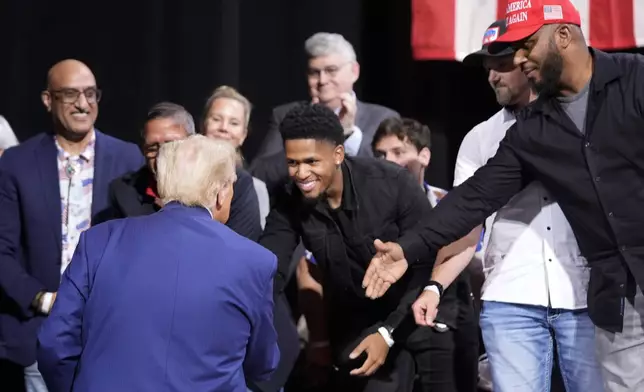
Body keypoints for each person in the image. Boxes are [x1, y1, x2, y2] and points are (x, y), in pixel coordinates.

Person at [362, 1, 644, 390]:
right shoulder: (533, 130)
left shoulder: (636, 81)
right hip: (621, 298)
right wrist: (407, 249)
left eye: (526, 45)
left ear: (563, 35)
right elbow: (474, 198)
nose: (521, 59)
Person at [413, 18, 602, 392]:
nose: (492, 77)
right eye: (487, 69)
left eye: (501, 66)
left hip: (584, 294)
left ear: (528, 61)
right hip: (510, 299)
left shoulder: (584, 123)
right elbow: (466, 222)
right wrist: (435, 286)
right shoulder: (479, 139)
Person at [37, 135, 280, 392]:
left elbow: (55, 343)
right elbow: (263, 363)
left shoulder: (99, 241)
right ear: (220, 193)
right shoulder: (254, 260)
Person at [259, 103, 441, 392]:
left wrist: (388, 331)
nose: (301, 174)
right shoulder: (289, 197)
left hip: (419, 311)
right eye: (292, 163)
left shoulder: (392, 184)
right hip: (355, 319)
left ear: (338, 154)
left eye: (311, 162)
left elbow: (428, 264)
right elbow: (270, 265)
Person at [0, 59, 143, 392]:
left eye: (91, 93)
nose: (83, 103)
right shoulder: (17, 163)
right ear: (48, 100)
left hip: (109, 332)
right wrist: (40, 298)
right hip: (38, 332)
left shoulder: (128, 159)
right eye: (71, 94)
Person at [201, 86, 300, 392]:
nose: (223, 128)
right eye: (217, 119)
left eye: (233, 122)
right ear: (203, 123)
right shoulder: (181, 179)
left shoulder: (252, 187)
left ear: (244, 134)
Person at [372, 117, 479, 392]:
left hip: (446, 317)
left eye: (398, 152)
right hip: (390, 320)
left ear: (424, 155)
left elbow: (477, 256)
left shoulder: (449, 204)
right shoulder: (370, 209)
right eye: (381, 154)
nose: (388, 161)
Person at [250, 32, 398, 196]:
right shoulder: (286, 115)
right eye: (314, 72)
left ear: (354, 72)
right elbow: (259, 174)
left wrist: (348, 134)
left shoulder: (382, 118)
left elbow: (387, 176)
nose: (322, 80)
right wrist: (305, 135)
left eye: (331, 70)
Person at [107, 102, 263, 241]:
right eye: (152, 149)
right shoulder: (124, 191)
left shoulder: (231, 182)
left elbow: (241, 250)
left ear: (193, 142)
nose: (163, 155)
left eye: (172, 145)